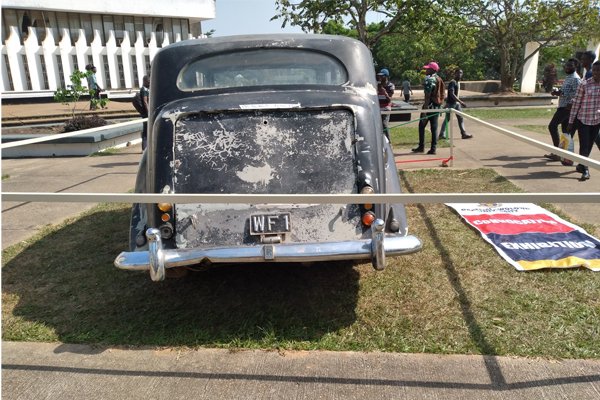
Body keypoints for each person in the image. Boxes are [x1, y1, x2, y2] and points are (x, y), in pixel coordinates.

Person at [567, 61, 600, 181]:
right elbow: (576, 103)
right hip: (583, 120)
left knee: (590, 145)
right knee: (584, 146)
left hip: (597, 121)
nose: (596, 73)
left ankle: (581, 164)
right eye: (595, 70)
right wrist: (571, 122)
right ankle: (586, 170)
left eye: (599, 70)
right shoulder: (584, 84)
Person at [544, 58, 581, 161]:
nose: (567, 67)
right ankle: (564, 154)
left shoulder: (576, 79)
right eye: (567, 65)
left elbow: (577, 95)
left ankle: (557, 152)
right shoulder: (568, 77)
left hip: (567, 108)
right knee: (565, 132)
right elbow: (567, 92)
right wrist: (558, 92)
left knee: (552, 126)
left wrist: (562, 94)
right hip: (563, 106)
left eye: (570, 66)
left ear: (576, 67)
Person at [413, 61, 444, 155]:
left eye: (427, 69)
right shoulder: (439, 79)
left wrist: (425, 110)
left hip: (429, 105)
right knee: (434, 128)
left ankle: (421, 146)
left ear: (432, 70)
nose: (425, 70)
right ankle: (433, 148)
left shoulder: (430, 79)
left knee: (421, 126)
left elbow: (427, 95)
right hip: (436, 106)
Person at [439, 68, 473, 140]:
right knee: (447, 119)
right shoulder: (453, 82)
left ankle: (463, 133)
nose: (460, 74)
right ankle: (442, 134)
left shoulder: (458, 82)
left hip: (456, 104)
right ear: (455, 74)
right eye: (458, 73)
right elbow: (451, 94)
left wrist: (458, 102)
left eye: (461, 73)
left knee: (460, 118)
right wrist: (461, 102)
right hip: (451, 104)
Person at [377, 68, 395, 141]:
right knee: (378, 126)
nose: (380, 77)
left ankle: (389, 142)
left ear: (386, 76)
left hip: (386, 107)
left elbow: (389, 99)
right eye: (379, 76)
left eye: (382, 76)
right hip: (378, 108)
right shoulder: (377, 85)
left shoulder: (390, 85)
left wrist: (384, 92)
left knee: (384, 124)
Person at [139, 75, 150, 151]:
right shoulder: (144, 90)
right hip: (146, 114)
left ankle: (146, 148)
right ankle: (144, 149)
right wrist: (149, 113)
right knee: (146, 131)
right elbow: (145, 102)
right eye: (148, 82)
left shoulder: (147, 89)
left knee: (147, 131)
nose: (149, 83)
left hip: (147, 113)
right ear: (144, 81)